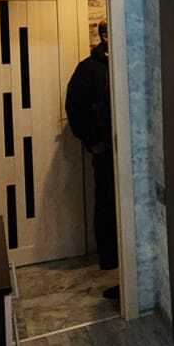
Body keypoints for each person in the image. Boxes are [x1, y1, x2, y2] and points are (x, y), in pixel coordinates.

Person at [65, 22, 117, 300]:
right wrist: (93, 142)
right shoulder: (89, 69)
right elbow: (75, 108)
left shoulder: (124, 63)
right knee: (106, 202)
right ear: (105, 36)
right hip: (105, 150)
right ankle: (110, 260)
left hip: (125, 151)